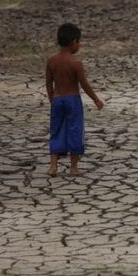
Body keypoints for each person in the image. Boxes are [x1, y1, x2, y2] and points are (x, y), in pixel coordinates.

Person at [45, 23, 104, 176]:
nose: (79, 45)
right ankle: (73, 167)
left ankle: (53, 166)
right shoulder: (76, 63)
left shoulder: (51, 61)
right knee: (75, 131)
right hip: (73, 100)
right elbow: (84, 84)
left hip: (57, 100)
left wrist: (52, 99)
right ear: (73, 42)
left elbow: (48, 83)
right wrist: (96, 99)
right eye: (79, 41)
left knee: (56, 131)